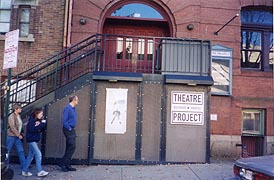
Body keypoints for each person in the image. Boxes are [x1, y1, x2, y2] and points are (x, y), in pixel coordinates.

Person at [23, 107, 49, 177]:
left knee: (30, 156)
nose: (42, 115)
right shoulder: (31, 120)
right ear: (36, 113)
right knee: (38, 154)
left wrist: (43, 125)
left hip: (34, 139)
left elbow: (39, 129)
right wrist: (42, 124)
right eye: (41, 113)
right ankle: (39, 171)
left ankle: (24, 171)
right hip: (31, 140)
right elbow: (32, 129)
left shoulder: (37, 120)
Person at [58, 95, 79, 172]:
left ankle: (66, 164)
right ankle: (64, 164)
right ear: (73, 100)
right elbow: (64, 121)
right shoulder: (68, 108)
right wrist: (69, 128)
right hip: (68, 129)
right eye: (77, 100)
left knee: (70, 147)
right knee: (72, 146)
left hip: (71, 129)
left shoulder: (73, 108)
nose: (78, 101)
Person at [6, 103, 28, 175]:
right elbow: (12, 127)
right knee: (7, 152)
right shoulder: (11, 116)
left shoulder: (19, 116)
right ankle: (5, 166)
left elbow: (20, 126)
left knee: (21, 151)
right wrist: (19, 135)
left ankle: (25, 167)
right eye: (20, 108)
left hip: (17, 136)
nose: (21, 109)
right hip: (11, 136)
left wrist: (21, 133)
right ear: (16, 109)